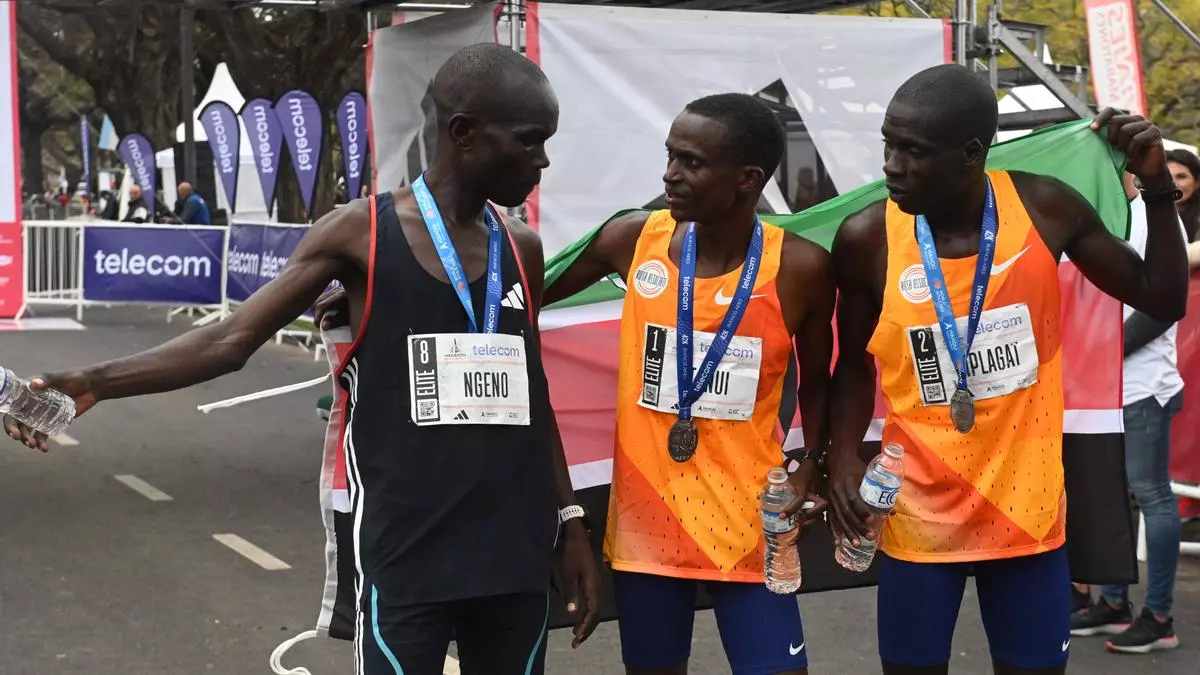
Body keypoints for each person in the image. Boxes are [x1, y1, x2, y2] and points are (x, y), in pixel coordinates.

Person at [3, 42, 600, 675]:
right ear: (465, 134)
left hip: (512, 550)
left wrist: (569, 521)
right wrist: (94, 380)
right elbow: (230, 342)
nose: (543, 158)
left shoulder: (523, 248)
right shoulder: (362, 233)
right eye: (530, 139)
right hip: (407, 552)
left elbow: (532, 398)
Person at [826, 64, 1188, 675]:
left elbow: (1161, 296)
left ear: (971, 154)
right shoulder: (867, 238)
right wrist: (839, 455)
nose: (892, 164)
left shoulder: (1043, 208)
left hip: (1027, 511)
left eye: (913, 150)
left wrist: (1155, 187)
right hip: (917, 511)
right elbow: (853, 365)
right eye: (889, 144)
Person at [543, 93, 836, 675]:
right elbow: (515, 297)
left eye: (691, 162)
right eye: (671, 155)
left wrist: (812, 461)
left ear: (748, 179)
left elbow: (822, 383)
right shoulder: (631, 240)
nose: (669, 174)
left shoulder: (801, 268)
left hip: (750, 525)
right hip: (647, 529)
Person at [1069, 172, 1184, 654]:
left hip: (1140, 387)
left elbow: (1164, 306)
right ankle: (1113, 603)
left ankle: (1159, 616)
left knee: (1151, 495)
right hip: (1102, 391)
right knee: (1112, 491)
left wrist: (1104, 354)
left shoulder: (1154, 217)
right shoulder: (1092, 218)